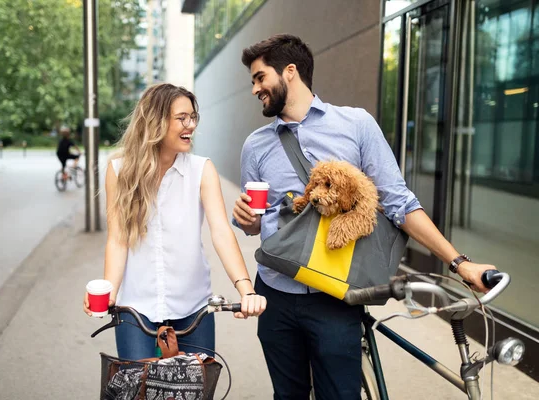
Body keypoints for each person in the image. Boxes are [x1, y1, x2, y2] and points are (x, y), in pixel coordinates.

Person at [232, 34, 496, 399]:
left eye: (260, 77)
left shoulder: (355, 125)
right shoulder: (255, 145)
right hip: (275, 294)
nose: (255, 89)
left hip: (336, 296)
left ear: (289, 72)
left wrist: (459, 263)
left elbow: (399, 203)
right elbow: (255, 221)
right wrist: (248, 220)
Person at [83, 83, 266, 360]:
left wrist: (246, 289)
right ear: (155, 121)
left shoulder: (201, 170)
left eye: (193, 117)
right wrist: (109, 291)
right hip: (136, 306)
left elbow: (221, 232)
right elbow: (118, 239)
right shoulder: (119, 171)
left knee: (197, 389)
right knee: (136, 388)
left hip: (193, 306)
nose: (190, 125)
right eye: (182, 118)